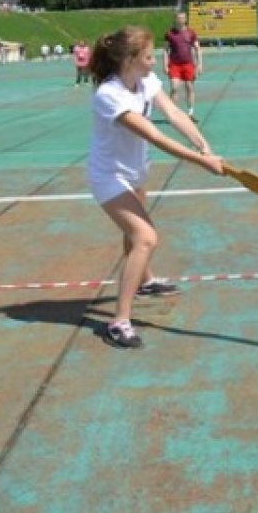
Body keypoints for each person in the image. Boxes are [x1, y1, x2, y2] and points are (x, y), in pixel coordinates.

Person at [87, 26, 224, 349]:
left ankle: (145, 281)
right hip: (108, 176)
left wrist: (203, 144)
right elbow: (154, 135)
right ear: (130, 60)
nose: (155, 61)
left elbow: (174, 113)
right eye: (149, 56)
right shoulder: (109, 95)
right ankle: (119, 322)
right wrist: (201, 162)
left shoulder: (145, 81)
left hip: (135, 171)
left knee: (133, 233)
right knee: (145, 237)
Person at [163, 11, 203, 116]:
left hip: (188, 64)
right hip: (174, 65)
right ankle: (173, 112)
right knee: (174, 88)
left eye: (182, 18)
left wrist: (199, 64)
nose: (180, 20)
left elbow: (197, 49)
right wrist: (165, 65)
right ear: (175, 19)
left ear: (185, 19)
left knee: (189, 87)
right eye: (178, 18)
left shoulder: (191, 33)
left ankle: (190, 112)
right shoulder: (170, 33)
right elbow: (165, 50)